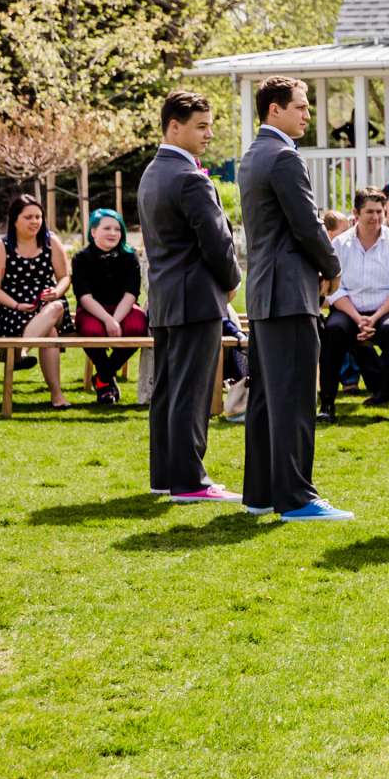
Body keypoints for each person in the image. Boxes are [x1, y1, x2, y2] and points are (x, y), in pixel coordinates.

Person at [237, 75, 349, 522]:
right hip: (289, 292)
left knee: (266, 397)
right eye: (300, 106)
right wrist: (334, 267)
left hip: (265, 291)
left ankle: (260, 493)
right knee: (295, 397)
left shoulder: (252, 155)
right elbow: (306, 224)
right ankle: (296, 497)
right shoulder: (283, 156)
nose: (307, 113)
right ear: (274, 110)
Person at [138, 91, 244, 502]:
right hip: (195, 298)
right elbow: (217, 242)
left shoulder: (152, 172)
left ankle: (164, 476)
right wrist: (231, 282)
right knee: (193, 391)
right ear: (174, 126)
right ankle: (190, 481)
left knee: (167, 390)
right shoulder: (189, 177)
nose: (209, 133)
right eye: (201, 126)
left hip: (165, 298)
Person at [322, 189, 389, 421]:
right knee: (333, 331)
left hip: (387, 309)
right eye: (369, 212)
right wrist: (357, 318)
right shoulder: (340, 244)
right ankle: (326, 405)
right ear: (355, 213)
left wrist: (374, 318)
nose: (375, 217)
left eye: (379, 212)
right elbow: (335, 289)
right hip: (348, 310)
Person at [0, 196, 73, 408]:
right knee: (50, 334)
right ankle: (57, 396)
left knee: (57, 306)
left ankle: (22, 351)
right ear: (14, 220)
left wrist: (57, 291)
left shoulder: (51, 242)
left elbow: (65, 277)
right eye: (28, 217)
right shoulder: (1, 247)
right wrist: (15, 305)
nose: (35, 221)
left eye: (38, 217)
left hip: (48, 303)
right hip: (13, 308)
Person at [72, 208, 147, 405]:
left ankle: (102, 377)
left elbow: (131, 293)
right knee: (91, 330)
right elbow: (84, 296)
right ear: (93, 232)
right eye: (107, 228)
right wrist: (107, 319)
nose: (113, 233)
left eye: (117, 229)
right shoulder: (81, 258)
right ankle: (106, 381)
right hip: (92, 309)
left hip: (123, 307)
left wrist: (116, 320)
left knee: (137, 326)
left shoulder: (130, 257)